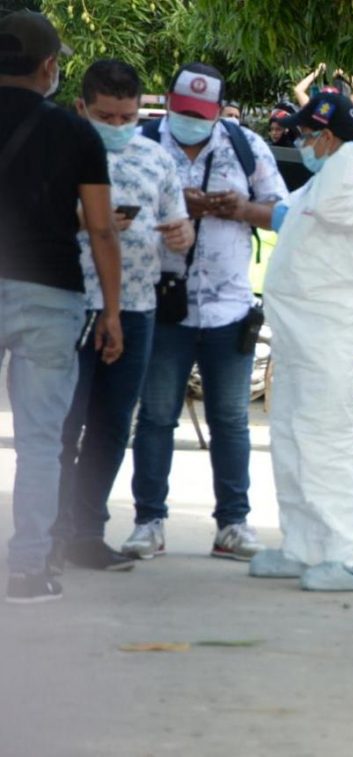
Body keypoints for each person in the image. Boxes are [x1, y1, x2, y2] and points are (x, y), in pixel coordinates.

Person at [248, 92, 353, 591]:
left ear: (328, 137)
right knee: (291, 434)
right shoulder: (331, 178)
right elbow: (288, 211)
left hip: (330, 330)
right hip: (299, 332)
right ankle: (302, 546)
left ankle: (347, 557)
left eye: (307, 135)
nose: (300, 143)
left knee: (325, 438)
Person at [122, 62, 287, 562]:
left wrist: (239, 208)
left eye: (203, 113)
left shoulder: (246, 146)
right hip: (161, 305)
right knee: (154, 418)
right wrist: (179, 209)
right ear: (170, 103)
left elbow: (280, 211)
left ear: (218, 111)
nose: (192, 120)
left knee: (232, 422)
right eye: (185, 110)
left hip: (229, 309)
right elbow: (116, 210)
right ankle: (149, 522)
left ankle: (232, 525)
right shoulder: (143, 144)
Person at [0, 10, 124, 603]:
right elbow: (102, 231)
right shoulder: (76, 134)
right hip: (50, 295)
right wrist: (113, 311)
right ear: (49, 67)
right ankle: (27, 572)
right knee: (40, 442)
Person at [52, 60, 194, 573]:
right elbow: (28, 219)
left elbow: (177, 222)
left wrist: (183, 235)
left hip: (138, 309)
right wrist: (81, 220)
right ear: (82, 108)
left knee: (112, 426)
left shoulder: (156, 159)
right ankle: (52, 531)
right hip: (71, 306)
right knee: (63, 426)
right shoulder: (59, 152)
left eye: (126, 117)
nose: (116, 127)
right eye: (106, 116)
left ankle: (88, 532)